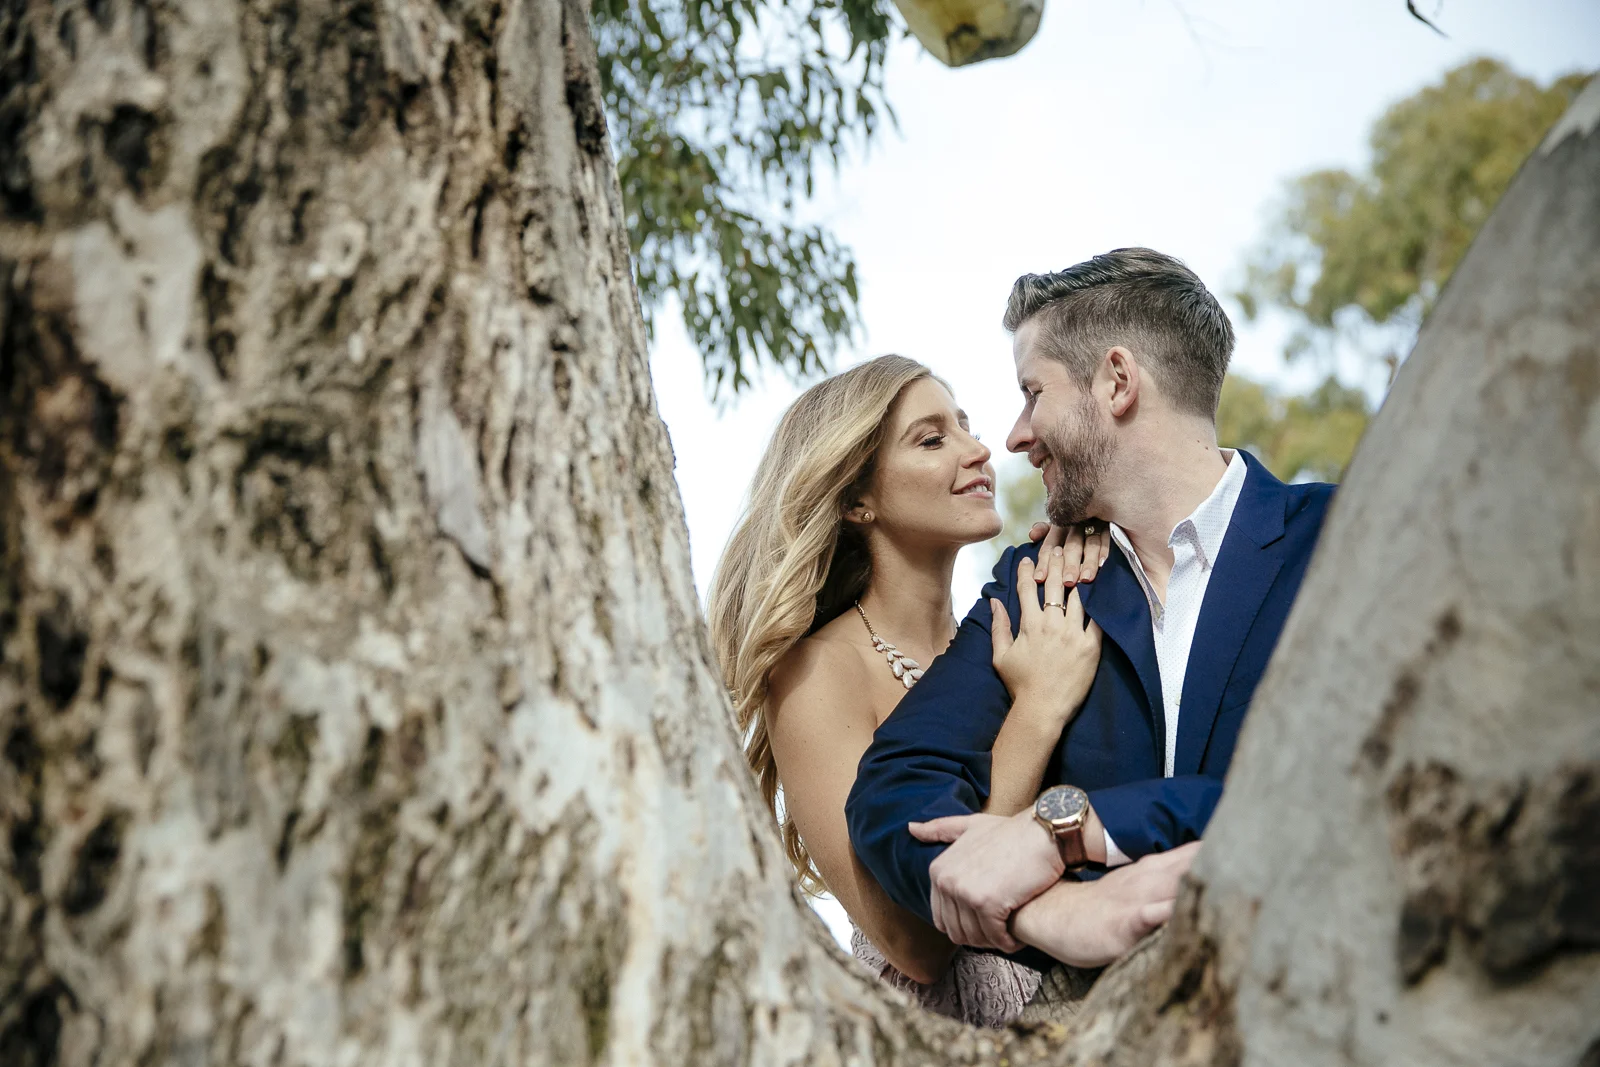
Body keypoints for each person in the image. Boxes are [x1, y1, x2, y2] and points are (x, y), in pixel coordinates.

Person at [846, 248, 1337, 969]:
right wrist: (1058, 909)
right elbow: (891, 791)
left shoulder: (1340, 538)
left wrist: (1069, 830)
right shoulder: (1041, 584)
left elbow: (1358, 779)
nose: (1012, 436)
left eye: (1032, 391)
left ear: (1115, 381)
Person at [706, 355, 1111, 1026]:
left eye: (964, 426)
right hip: (936, 1026)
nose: (977, 450)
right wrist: (1034, 712)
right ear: (855, 499)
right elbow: (914, 941)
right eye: (932, 439)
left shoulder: (1014, 629)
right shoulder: (811, 674)